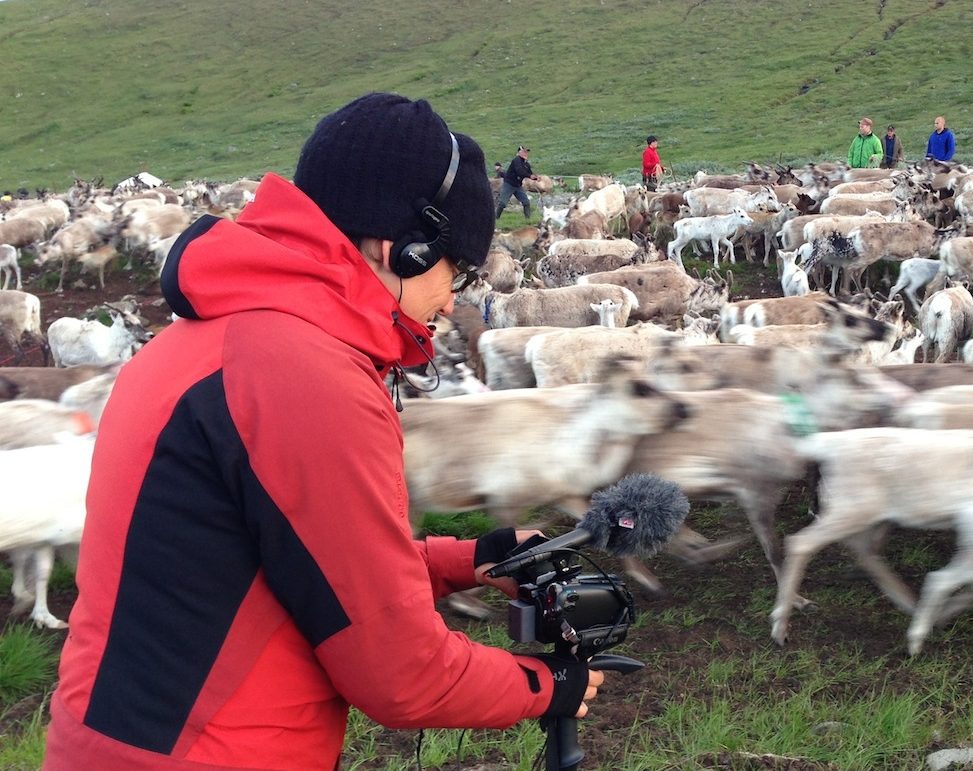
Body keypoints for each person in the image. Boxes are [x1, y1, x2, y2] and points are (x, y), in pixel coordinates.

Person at [42, 93, 602, 770]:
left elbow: (277, 568)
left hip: (117, 735)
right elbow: (402, 672)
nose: (453, 299)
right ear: (404, 246)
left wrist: (467, 560)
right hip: (218, 751)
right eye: (458, 268)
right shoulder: (301, 373)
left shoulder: (201, 339)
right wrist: (548, 685)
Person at [495, 145, 538, 219]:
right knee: (502, 203)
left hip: (518, 186)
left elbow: (530, 173)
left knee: (526, 202)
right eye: (524, 152)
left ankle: (528, 220)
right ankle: (495, 219)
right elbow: (520, 171)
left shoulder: (526, 164)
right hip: (509, 184)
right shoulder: (516, 160)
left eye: (526, 152)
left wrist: (536, 178)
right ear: (519, 153)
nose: (526, 153)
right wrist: (530, 176)